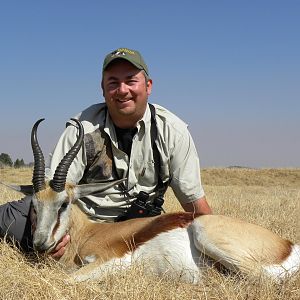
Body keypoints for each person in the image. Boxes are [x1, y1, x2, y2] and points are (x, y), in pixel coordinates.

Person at [0, 47, 212, 257]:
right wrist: (50, 233)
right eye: (113, 83)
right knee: (12, 218)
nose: (122, 90)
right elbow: (50, 192)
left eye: (131, 80)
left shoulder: (172, 132)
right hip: (85, 226)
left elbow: (194, 202)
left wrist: (211, 237)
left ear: (148, 86)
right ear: (103, 88)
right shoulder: (83, 127)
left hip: (135, 229)